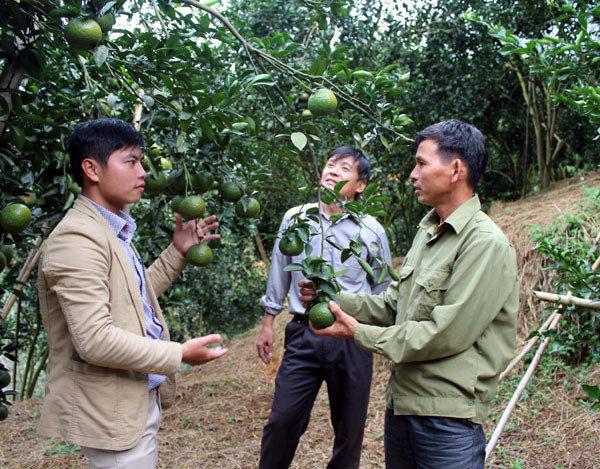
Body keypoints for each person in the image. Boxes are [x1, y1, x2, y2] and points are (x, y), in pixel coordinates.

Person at [300, 119, 519, 469]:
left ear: (456, 170)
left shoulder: (484, 244)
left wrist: (358, 333)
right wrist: (333, 295)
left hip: (448, 422)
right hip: (403, 410)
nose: (413, 174)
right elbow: (393, 304)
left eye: (422, 163)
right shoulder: (428, 232)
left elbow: (443, 334)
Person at [36, 118, 228, 468]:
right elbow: (94, 339)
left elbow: (131, 301)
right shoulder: (76, 239)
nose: (143, 172)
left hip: (133, 396)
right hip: (110, 409)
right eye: (131, 161)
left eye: (142, 161)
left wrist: (177, 253)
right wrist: (179, 354)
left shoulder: (111, 230)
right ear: (92, 169)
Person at [257, 146, 393, 469]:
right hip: (304, 333)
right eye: (330, 165)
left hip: (350, 339)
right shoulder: (296, 218)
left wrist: (372, 334)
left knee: (350, 430)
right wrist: (267, 323)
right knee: (282, 420)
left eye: (344, 168)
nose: (331, 171)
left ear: (361, 185)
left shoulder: (371, 230)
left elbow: (384, 292)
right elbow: (279, 268)